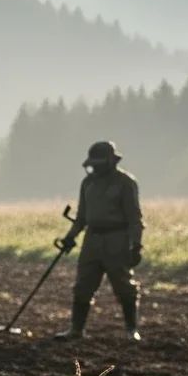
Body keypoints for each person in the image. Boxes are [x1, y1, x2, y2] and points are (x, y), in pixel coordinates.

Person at [55, 141, 144, 342]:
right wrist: (70, 237)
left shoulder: (125, 183)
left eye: (99, 163)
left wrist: (136, 245)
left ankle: (131, 330)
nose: (95, 168)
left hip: (117, 240)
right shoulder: (88, 183)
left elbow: (134, 218)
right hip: (92, 240)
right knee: (83, 285)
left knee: (124, 286)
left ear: (110, 162)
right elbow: (81, 217)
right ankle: (76, 329)